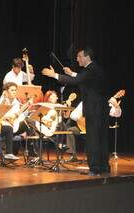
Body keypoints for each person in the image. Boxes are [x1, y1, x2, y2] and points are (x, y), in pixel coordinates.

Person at [42, 47, 109, 176]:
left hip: (94, 110)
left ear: (87, 57)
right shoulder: (95, 69)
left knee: (93, 139)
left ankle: (94, 168)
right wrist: (71, 73)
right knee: (101, 139)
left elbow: (78, 80)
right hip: (101, 109)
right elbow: (82, 79)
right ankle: (103, 166)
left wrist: (54, 75)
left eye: (79, 56)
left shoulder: (91, 69)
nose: (77, 59)